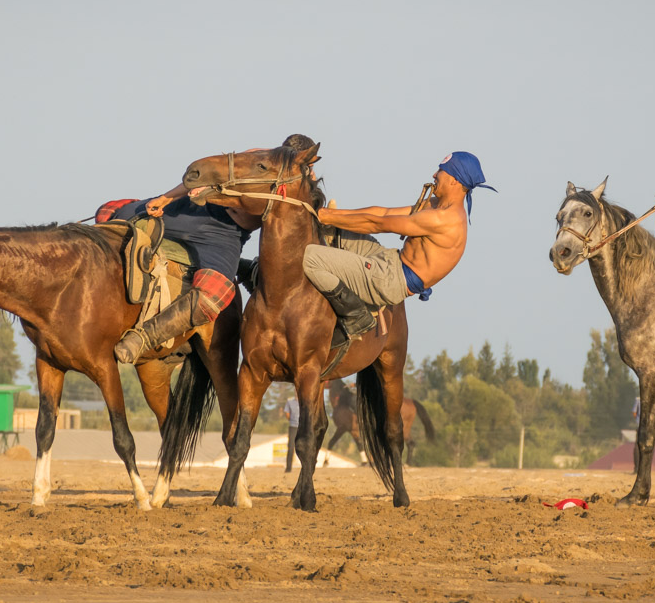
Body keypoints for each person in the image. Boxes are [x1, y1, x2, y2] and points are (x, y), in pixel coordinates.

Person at [306, 151, 494, 349]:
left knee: (310, 257)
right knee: (333, 231)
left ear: (454, 180)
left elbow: (378, 225)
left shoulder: (444, 219)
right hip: (390, 260)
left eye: (441, 170)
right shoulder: (435, 205)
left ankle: (356, 316)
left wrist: (325, 216)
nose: (434, 174)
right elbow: (383, 213)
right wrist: (331, 215)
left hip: (390, 279)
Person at [110, 163, 263, 364]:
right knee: (114, 214)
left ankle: (143, 337)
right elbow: (201, 172)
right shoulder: (256, 159)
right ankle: (244, 267)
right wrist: (165, 199)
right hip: (201, 210)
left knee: (215, 295)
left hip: (226, 236)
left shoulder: (299, 192)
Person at [282, 396, 300, 473]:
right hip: (293, 426)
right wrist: (291, 420)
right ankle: (288, 468)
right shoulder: (290, 401)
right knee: (291, 447)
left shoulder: (305, 399)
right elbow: (287, 412)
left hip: (304, 426)